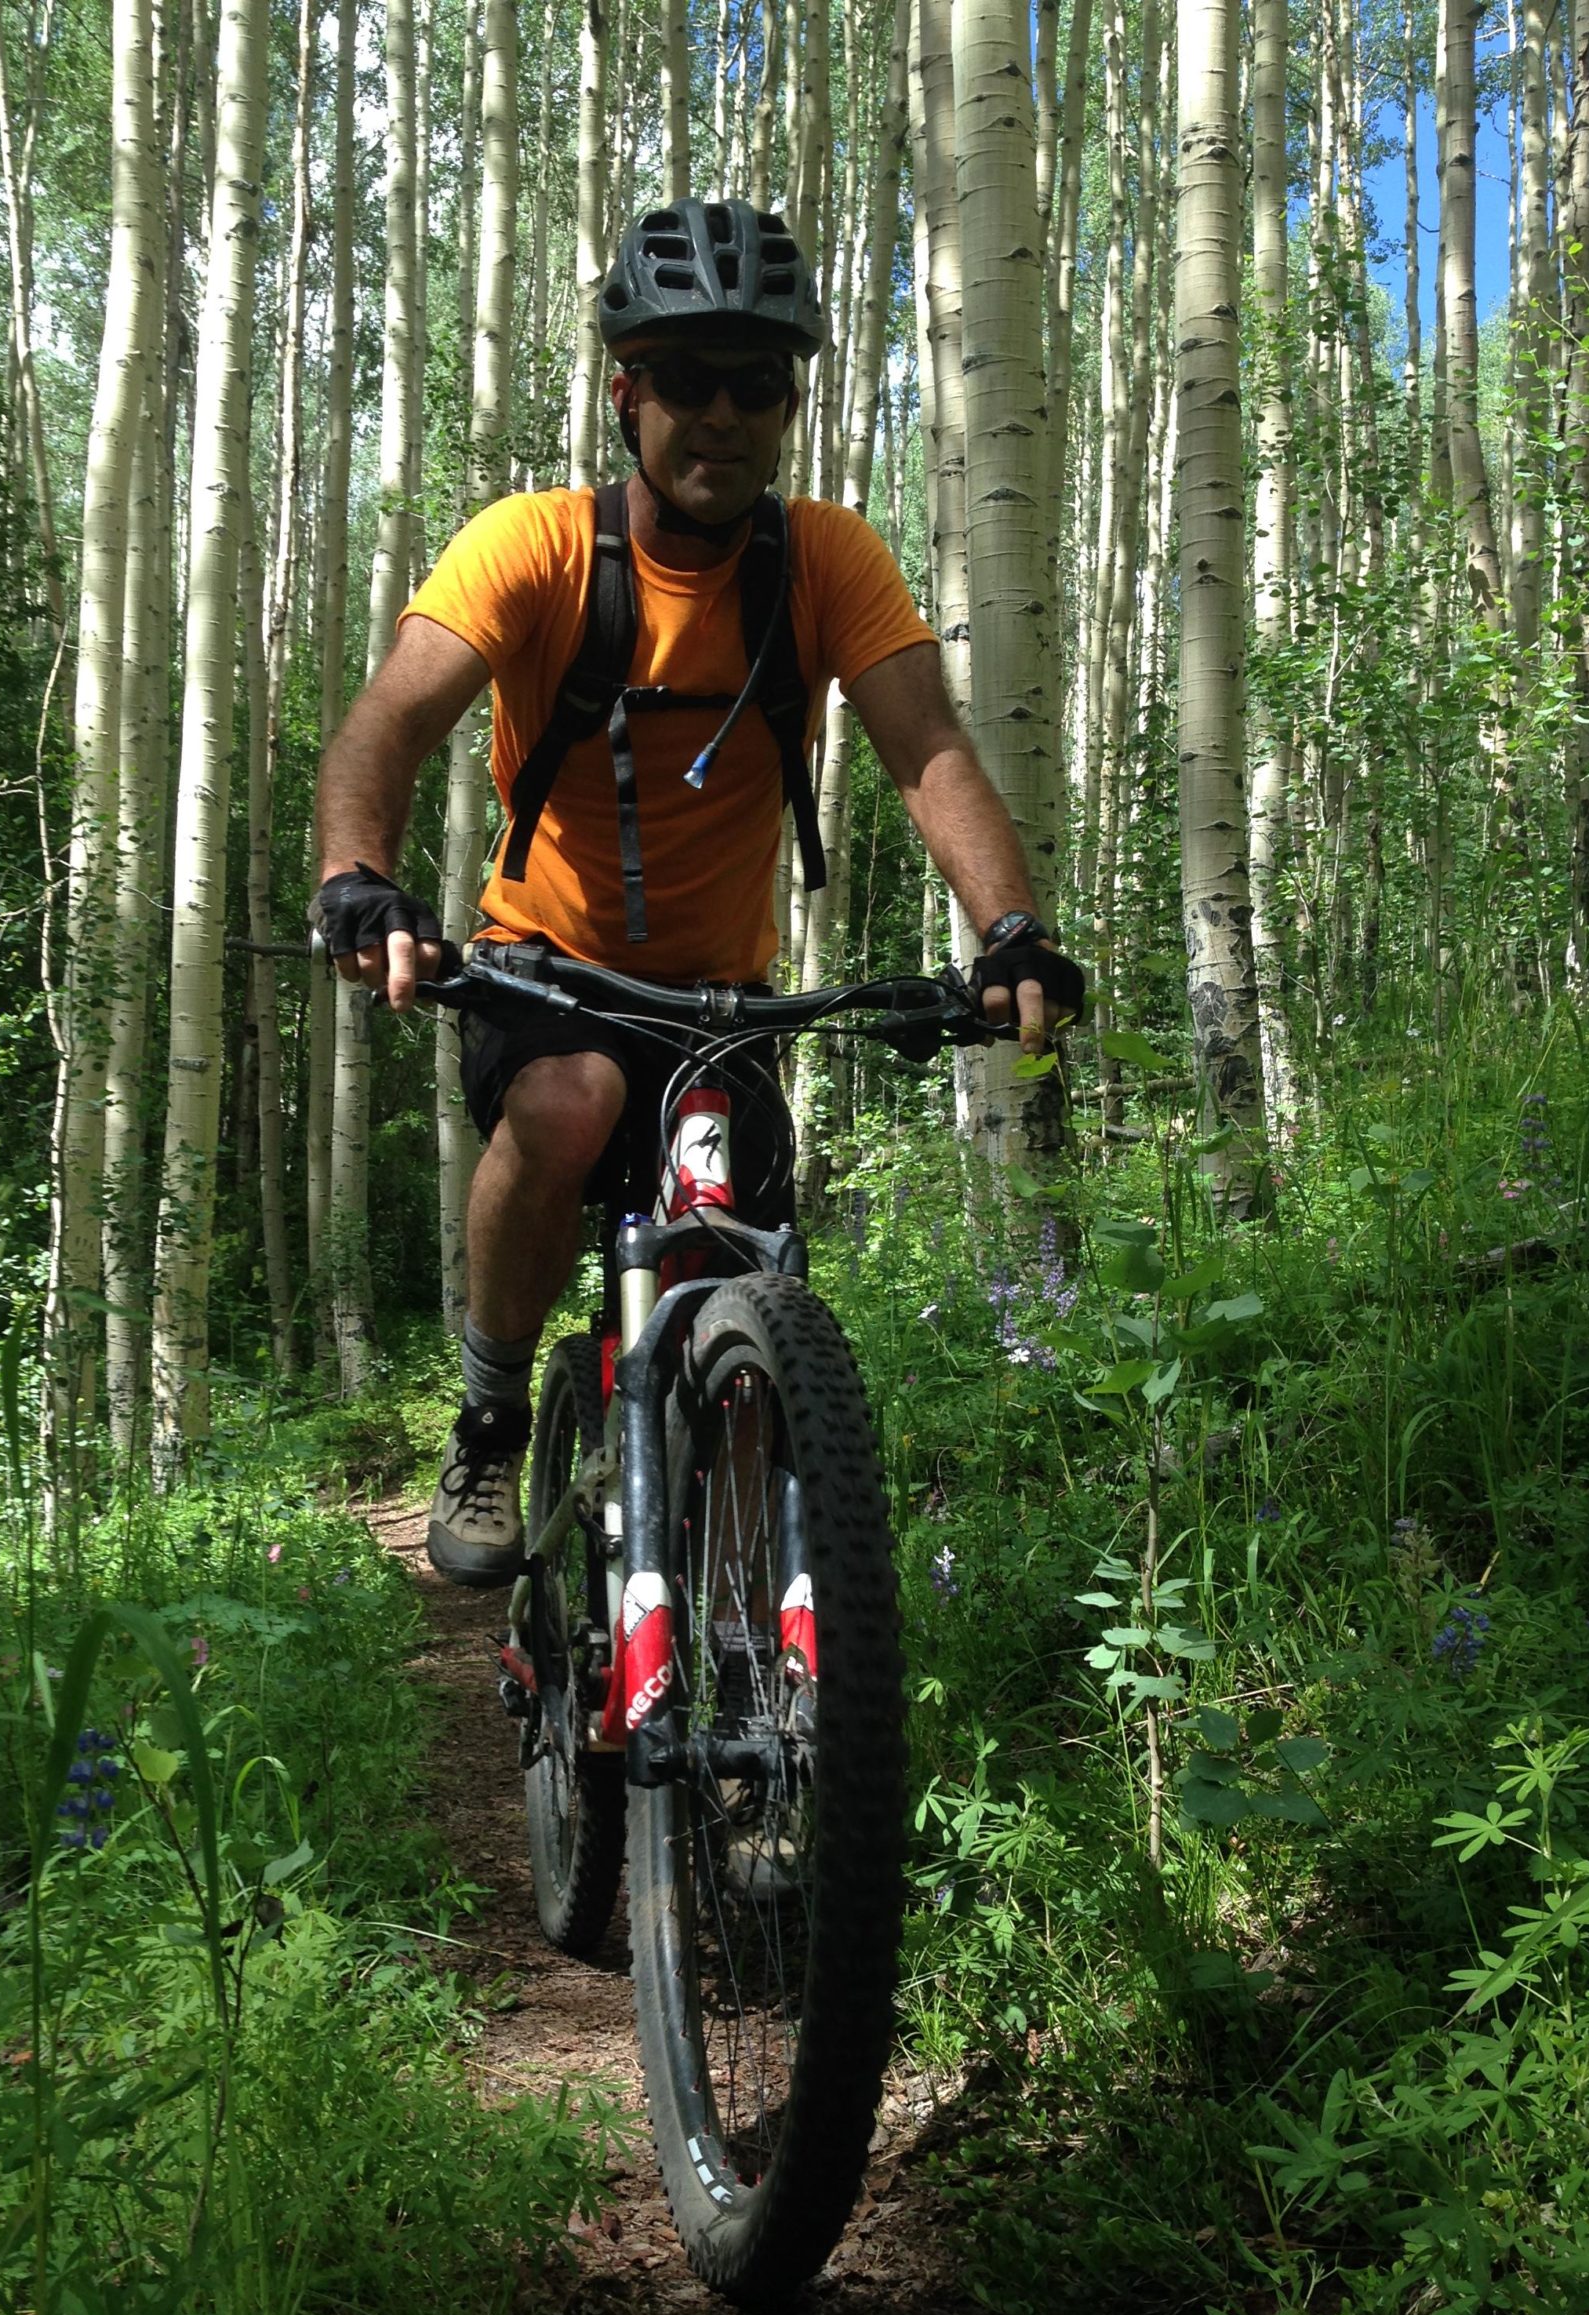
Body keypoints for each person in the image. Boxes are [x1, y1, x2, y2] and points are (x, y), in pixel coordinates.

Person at [313, 198, 1085, 1587]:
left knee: (749, 1271)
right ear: (628, 390)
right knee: (571, 1102)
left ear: (789, 404)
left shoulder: (827, 560)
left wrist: (1009, 927)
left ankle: (756, 1663)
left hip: (725, 1005)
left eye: (755, 385)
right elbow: (384, 725)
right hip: (541, 971)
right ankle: (490, 1418)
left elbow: (931, 751)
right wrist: (358, 882)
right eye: (685, 379)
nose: (718, 416)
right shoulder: (534, 547)